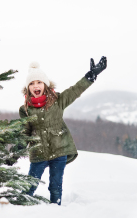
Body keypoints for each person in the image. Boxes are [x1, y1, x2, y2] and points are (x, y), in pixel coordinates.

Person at [19, 57, 107, 205]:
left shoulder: (58, 100)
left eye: (39, 82)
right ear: (28, 88)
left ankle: (56, 211)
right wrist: (19, 146)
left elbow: (75, 90)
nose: (35, 86)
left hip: (59, 151)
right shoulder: (25, 109)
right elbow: (24, 131)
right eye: (32, 83)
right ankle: (19, 209)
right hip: (38, 153)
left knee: (55, 186)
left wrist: (90, 76)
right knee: (30, 185)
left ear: (45, 85)